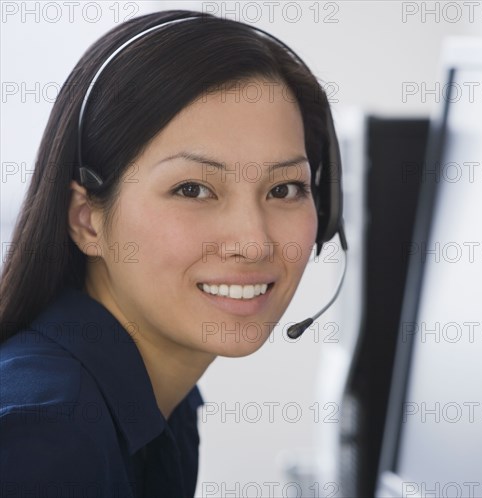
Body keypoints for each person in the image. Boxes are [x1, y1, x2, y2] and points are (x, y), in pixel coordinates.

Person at [0, 10, 345, 497]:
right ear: (86, 219)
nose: (253, 243)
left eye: (285, 188)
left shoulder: (159, 405)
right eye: (193, 189)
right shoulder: (46, 439)